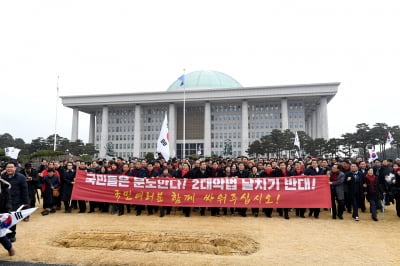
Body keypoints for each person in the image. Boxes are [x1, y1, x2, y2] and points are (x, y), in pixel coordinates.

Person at [1, 162, 29, 243]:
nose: (9, 169)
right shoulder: (2, 177)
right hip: (4, 201)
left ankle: (12, 235)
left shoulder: (21, 177)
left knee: (12, 218)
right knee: (4, 218)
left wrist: (26, 202)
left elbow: (25, 190)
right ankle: (4, 235)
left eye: (11, 167)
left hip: (15, 201)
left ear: (15, 168)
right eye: (7, 167)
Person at [0, 177, 15, 256]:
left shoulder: (5, 187)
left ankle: (9, 248)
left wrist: (8, 210)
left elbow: (8, 200)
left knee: (1, 234)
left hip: (2, 213)